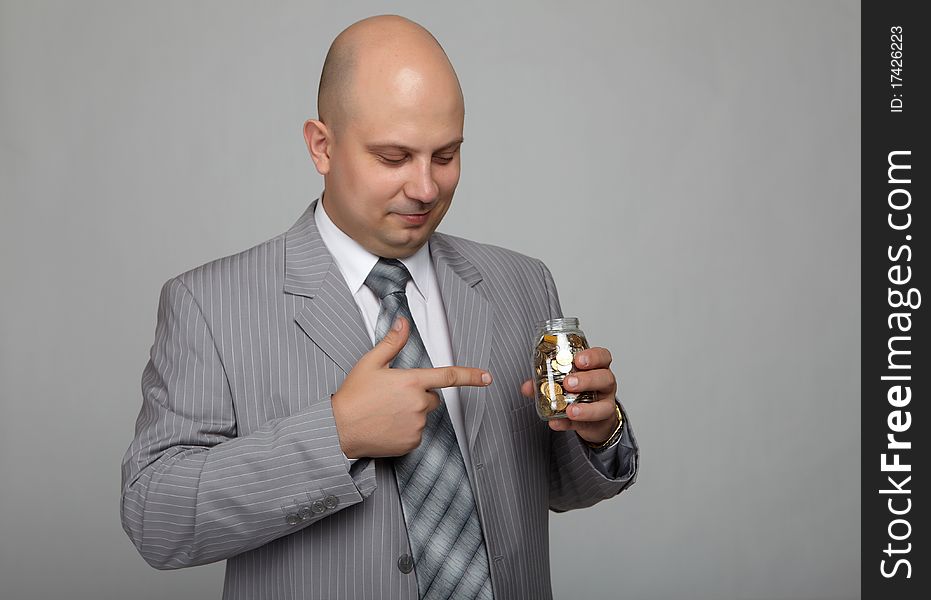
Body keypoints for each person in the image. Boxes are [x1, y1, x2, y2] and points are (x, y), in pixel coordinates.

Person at [120, 14, 638, 600]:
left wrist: (598, 432)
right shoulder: (208, 305)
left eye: (445, 156)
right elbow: (154, 518)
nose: (424, 188)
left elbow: (553, 489)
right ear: (322, 146)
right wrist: (337, 434)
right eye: (394, 158)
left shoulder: (522, 282)